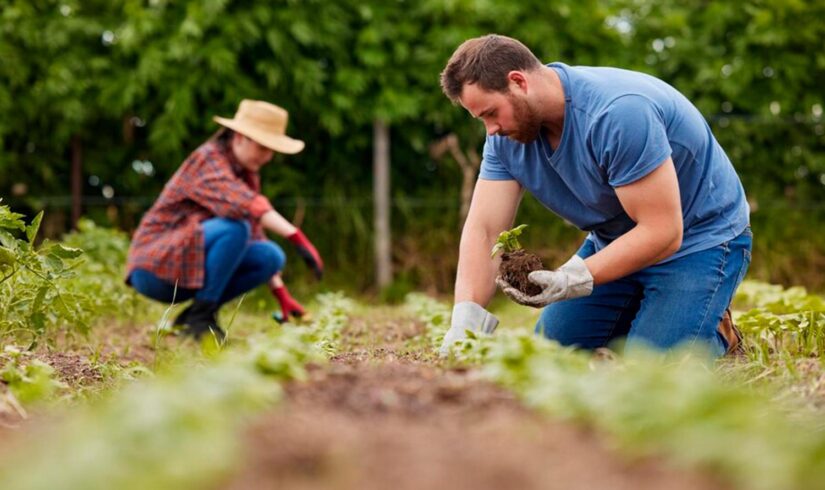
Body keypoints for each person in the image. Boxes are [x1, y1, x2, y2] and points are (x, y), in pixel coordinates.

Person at [438, 34, 751, 357]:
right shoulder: (505, 139)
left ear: (518, 82)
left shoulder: (617, 114)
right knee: (552, 353)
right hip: (615, 240)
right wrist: (466, 320)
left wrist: (570, 278)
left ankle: (716, 333)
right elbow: (485, 230)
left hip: (698, 241)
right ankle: (648, 320)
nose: (490, 129)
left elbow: (663, 232)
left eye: (491, 113)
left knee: (653, 370)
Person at [125, 99, 324, 340]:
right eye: (263, 147)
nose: (268, 157)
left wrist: (282, 296)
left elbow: (255, 234)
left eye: (272, 150)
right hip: (154, 268)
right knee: (235, 228)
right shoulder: (208, 159)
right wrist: (297, 237)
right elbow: (247, 204)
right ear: (240, 137)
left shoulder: (245, 174)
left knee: (270, 256)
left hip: (189, 263)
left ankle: (195, 318)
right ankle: (201, 319)